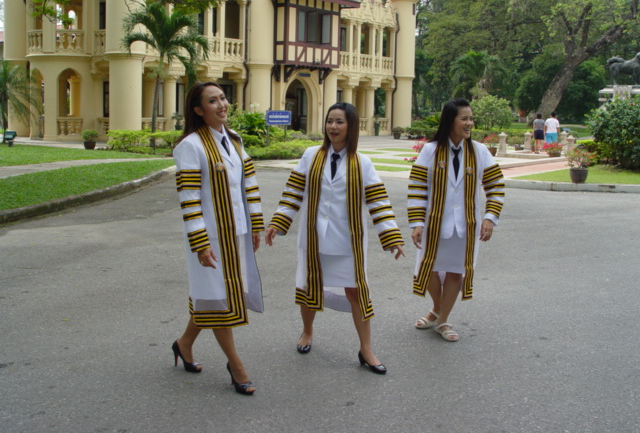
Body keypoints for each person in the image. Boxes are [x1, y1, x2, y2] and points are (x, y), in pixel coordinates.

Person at [265, 102, 405, 374]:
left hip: (347, 241)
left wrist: (392, 236)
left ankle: (366, 348)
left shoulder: (362, 163)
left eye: (340, 121)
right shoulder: (310, 156)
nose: (333, 127)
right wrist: (278, 222)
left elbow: (378, 202)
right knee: (309, 288)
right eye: (330, 121)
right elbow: (293, 192)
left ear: (350, 126)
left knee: (356, 292)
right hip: (314, 238)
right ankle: (307, 332)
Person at [171, 81, 265, 395]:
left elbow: (248, 184)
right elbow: (189, 197)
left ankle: (184, 344)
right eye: (213, 101)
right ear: (198, 110)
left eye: (223, 98)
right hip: (208, 237)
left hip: (235, 232)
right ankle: (236, 365)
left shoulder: (234, 140)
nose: (222, 104)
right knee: (218, 299)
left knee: (213, 294)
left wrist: (254, 225)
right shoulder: (191, 146)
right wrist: (200, 244)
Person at [408, 99, 504, 342]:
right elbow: (417, 188)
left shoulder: (479, 151)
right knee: (424, 270)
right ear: (450, 121)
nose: (469, 123)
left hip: (466, 226)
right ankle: (437, 308)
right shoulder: (430, 151)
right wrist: (417, 222)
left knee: (455, 272)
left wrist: (490, 218)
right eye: (464, 118)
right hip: (434, 224)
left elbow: (495, 186)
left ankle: (442, 320)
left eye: (471, 118)